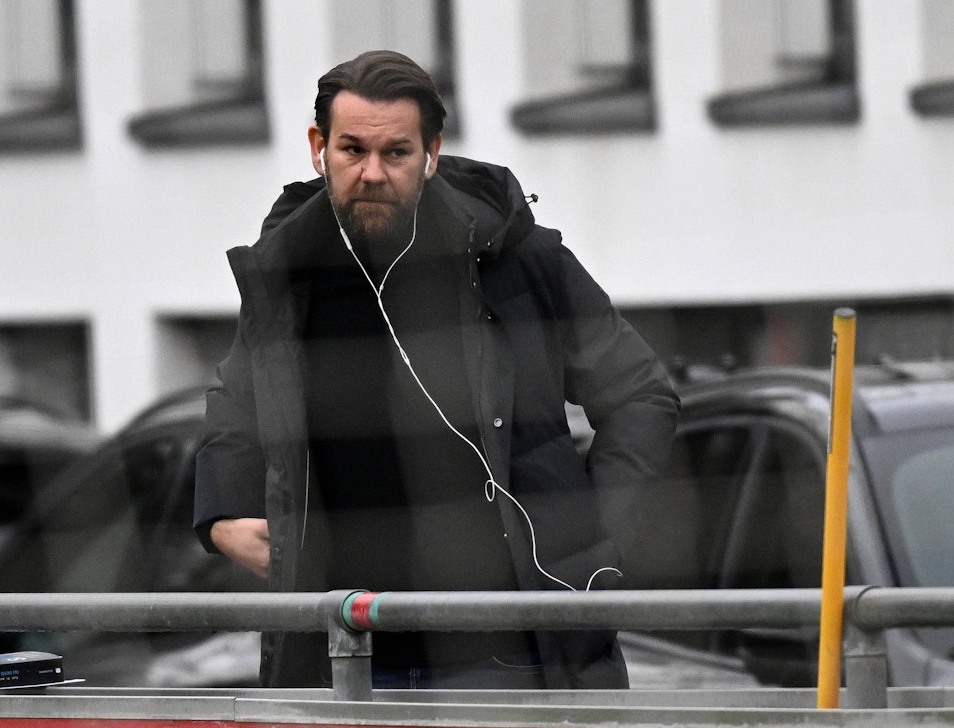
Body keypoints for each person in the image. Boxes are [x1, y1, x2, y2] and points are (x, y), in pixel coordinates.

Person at [194, 50, 679, 690]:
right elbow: (235, 406)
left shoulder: (515, 257)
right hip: (350, 651)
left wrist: (590, 532)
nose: (372, 173)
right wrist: (223, 515)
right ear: (318, 147)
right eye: (351, 150)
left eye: (396, 152)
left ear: (431, 152)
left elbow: (642, 394)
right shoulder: (287, 276)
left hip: (514, 646)